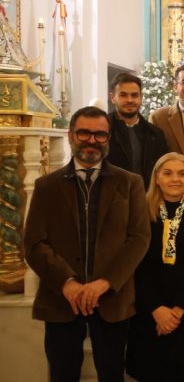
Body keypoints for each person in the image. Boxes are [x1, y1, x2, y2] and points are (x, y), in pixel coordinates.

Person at [24, 106, 150, 382]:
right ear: (71, 135)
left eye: (100, 135)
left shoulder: (130, 183)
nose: (92, 140)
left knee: (112, 373)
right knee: (62, 373)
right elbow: (34, 242)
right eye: (84, 133)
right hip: (61, 299)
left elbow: (139, 238)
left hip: (111, 299)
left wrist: (104, 282)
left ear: (108, 138)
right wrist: (67, 283)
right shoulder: (47, 185)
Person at [125, 152, 184, 381]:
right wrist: (157, 309)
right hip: (149, 310)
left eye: (182, 174)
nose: (175, 179)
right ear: (156, 178)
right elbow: (137, 265)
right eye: (167, 173)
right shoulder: (139, 213)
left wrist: (178, 310)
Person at [106, 72, 169, 188]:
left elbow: (164, 169)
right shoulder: (103, 132)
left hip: (147, 199)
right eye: (123, 95)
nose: (130, 100)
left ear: (141, 97)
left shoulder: (155, 134)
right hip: (112, 200)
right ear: (112, 98)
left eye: (134, 95)